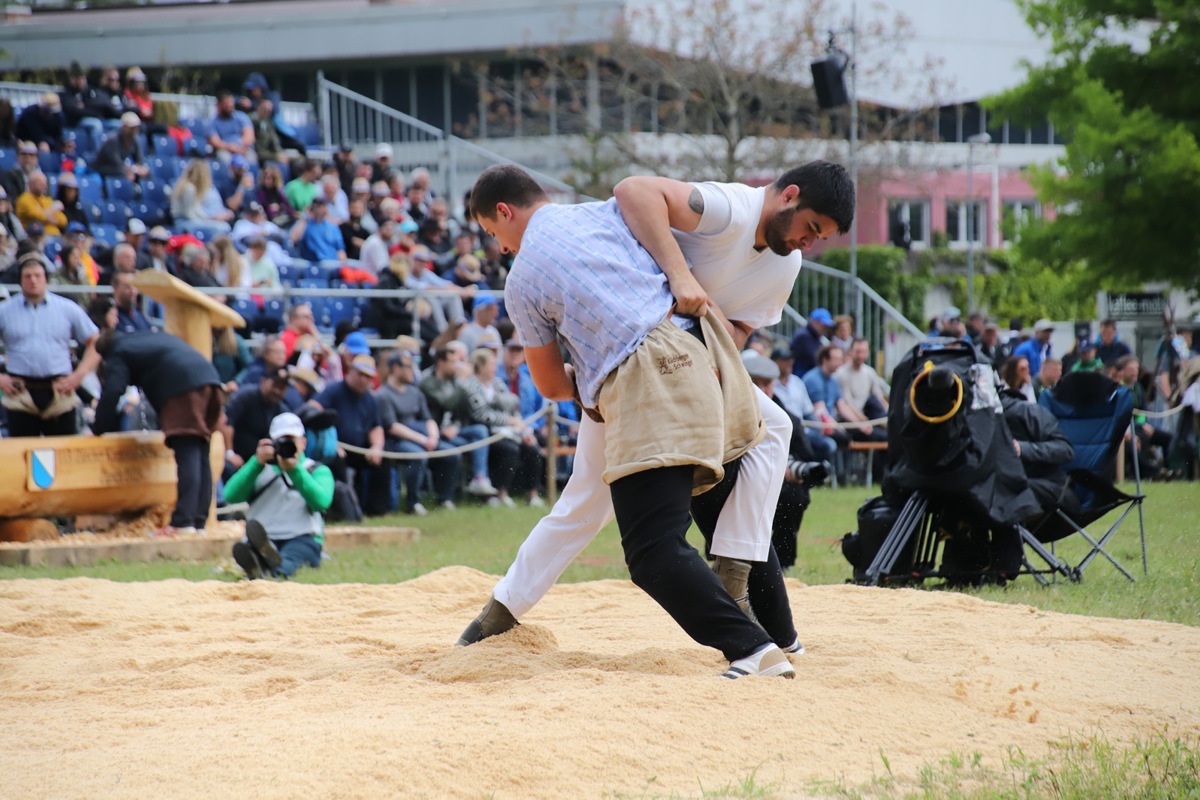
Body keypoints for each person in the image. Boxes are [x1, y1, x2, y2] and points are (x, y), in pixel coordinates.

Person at [462, 163, 849, 676]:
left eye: (495, 234)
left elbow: (553, 388)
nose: (502, 247)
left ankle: (754, 635)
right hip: (687, 355)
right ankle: (766, 624)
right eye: (811, 230)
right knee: (755, 445)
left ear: (505, 213)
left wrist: (601, 355)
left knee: (646, 541)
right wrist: (680, 286)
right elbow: (633, 191)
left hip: (642, 375)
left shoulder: (527, 272)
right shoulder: (616, 215)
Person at [92, 330, 223, 535]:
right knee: (199, 451)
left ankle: (182, 522)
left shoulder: (118, 351)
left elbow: (112, 391)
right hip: (211, 380)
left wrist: (98, 429)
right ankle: (198, 522)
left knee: (187, 449)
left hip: (184, 386)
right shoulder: (147, 339)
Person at [0, 255, 101, 436]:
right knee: (22, 456)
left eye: (38, 275)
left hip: (60, 391)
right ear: (20, 280)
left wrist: (79, 376)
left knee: (62, 456)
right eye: (28, 276)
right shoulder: (5, 311)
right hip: (19, 393)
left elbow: (96, 342)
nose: (33, 280)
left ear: (46, 278)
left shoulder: (67, 308)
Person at [226, 412, 334, 580]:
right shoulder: (258, 469)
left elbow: (321, 502)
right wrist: (257, 461)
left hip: (302, 537)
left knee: (293, 557)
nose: (286, 445)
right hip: (263, 537)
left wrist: (294, 469)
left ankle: (270, 570)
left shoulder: (316, 470)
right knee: (253, 551)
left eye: (291, 440)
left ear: (303, 443)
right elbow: (231, 495)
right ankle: (261, 562)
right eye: (281, 440)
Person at [376, 349, 462, 515]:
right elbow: (393, 426)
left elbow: (428, 418)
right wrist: (423, 440)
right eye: (408, 367)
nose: (412, 371)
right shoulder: (383, 395)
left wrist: (433, 437)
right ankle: (412, 503)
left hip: (423, 437)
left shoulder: (415, 392)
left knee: (453, 454)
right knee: (418, 457)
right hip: (397, 442)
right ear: (395, 368)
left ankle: (445, 498)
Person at [91, 112, 149, 181]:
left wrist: (138, 169)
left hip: (119, 168)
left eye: (136, 128)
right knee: (124, 174)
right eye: (131, 128)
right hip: (104, 168)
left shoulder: (135, 140)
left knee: (146, 173)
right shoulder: (112, 140)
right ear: (124, 127)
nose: (134, 131)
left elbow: (139, 161)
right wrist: (133, 170)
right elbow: (116, 162)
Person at [206, 89, 256, 165]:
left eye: (231, 102)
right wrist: (231, 147)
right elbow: (215, 142)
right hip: (225, 150)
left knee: (251, 158)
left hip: (243, 149)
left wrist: (239, 147)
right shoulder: (212, 122)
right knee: (224, 158)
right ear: (219, 104)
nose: (230, 105)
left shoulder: (241, 117)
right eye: (227, 103)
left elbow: (249, 137)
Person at [789, 307, 832, 376]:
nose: (826, 329)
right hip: (802, 377)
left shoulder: (814, 336)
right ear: (815, 322)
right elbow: (815, 360)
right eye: (824, 326)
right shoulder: (803, 337)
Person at [111, 269, 153, 333]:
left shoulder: (140, 316)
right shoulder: (112, 318)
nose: (133, 291)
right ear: (115, 288)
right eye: (127, 287)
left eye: (134, 286)